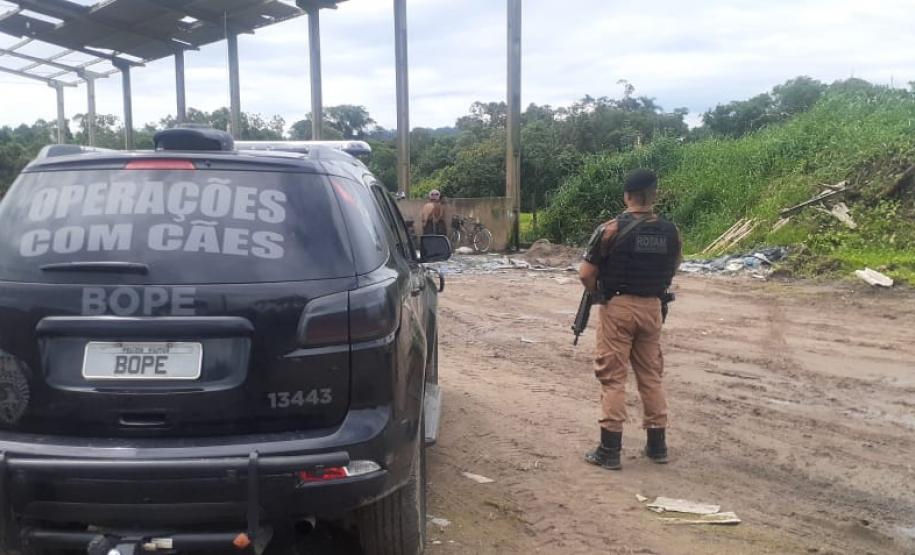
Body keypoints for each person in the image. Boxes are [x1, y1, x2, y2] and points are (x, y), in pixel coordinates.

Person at [578, 168, 682, 471]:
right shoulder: (670, 231)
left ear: (627, 196)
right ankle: (657, 445)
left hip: (618, 307)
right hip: (653, 308)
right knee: (651, 376)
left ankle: (609, 450)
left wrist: (600, 292)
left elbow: (585, 273)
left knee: (613, 378)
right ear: (654, 195)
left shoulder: (610, 229)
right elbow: (673, 267)